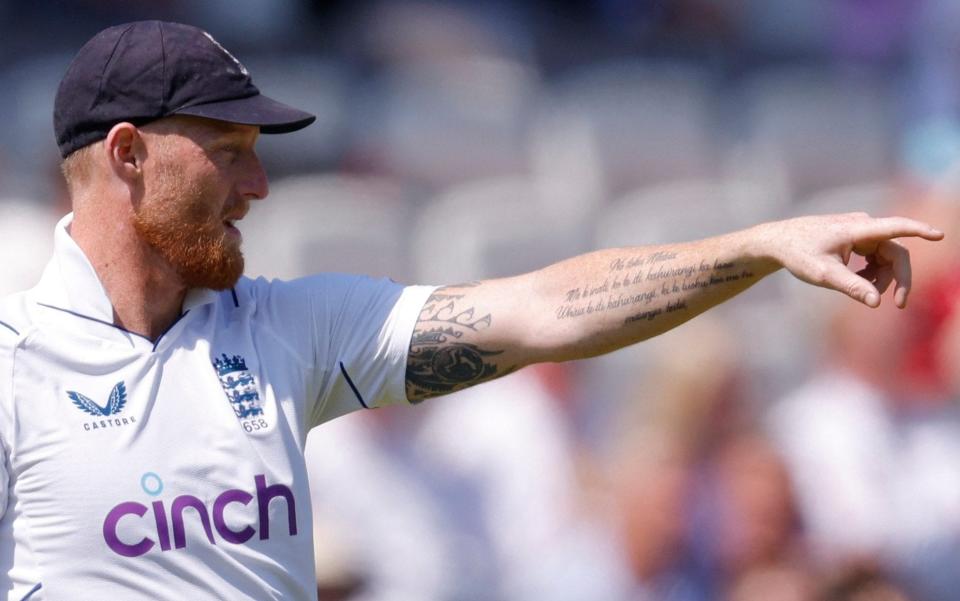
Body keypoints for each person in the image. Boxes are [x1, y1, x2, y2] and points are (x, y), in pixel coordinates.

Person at [0, 20, 944, 601]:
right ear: (127, 154)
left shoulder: (284, 333)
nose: (257, 183)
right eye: (229, 150)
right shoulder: (15, 370)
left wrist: (753, 246)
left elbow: (542, 311)